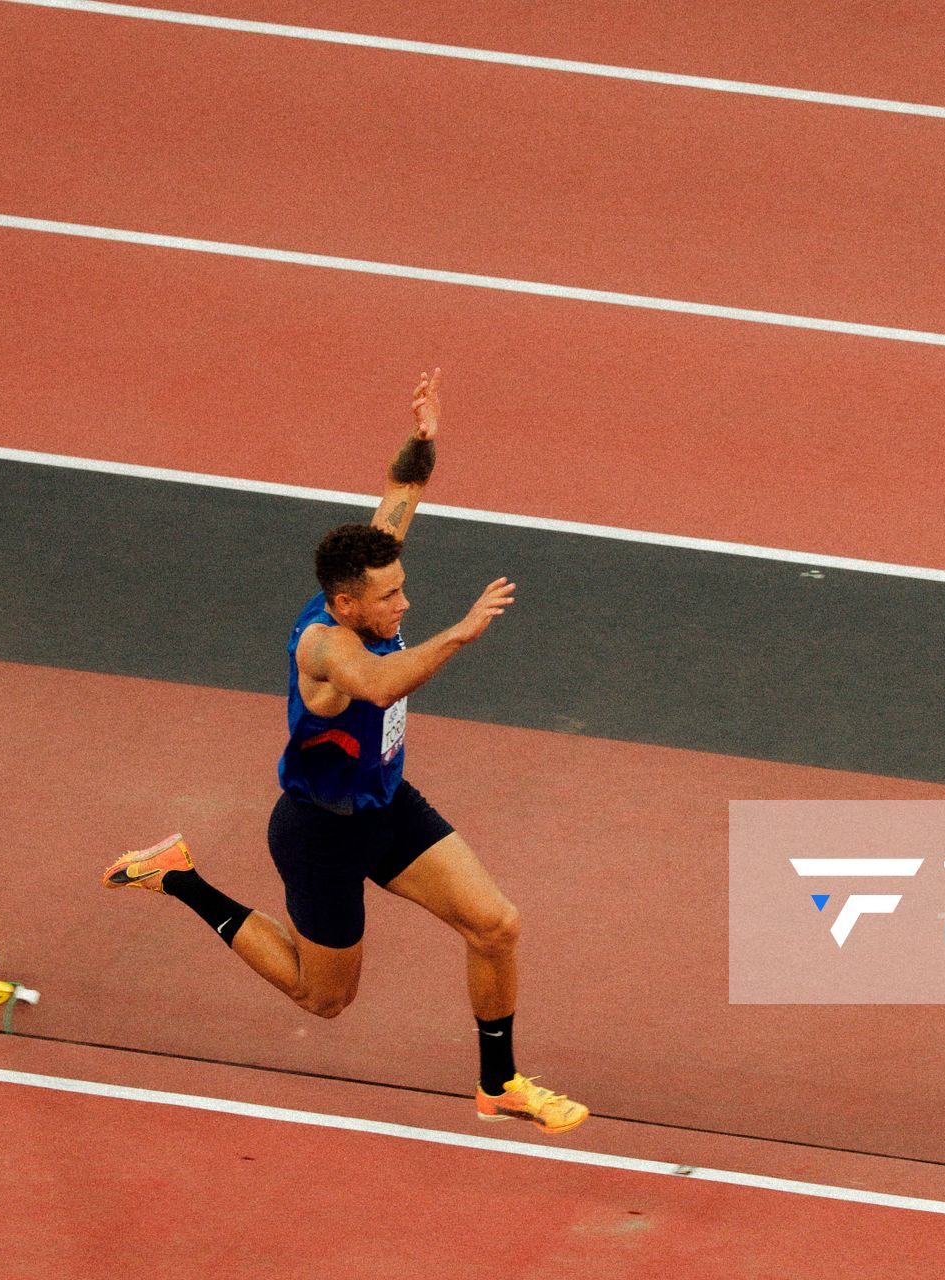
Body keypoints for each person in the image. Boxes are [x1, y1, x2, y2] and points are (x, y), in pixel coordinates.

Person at [102, 369, 587, 1135]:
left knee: (496, 925)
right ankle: (182, 877)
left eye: (402, 589)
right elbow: (382, 684)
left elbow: (400, 487)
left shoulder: (367, 578)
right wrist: (458, 634)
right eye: (389, 597)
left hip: (385, 806)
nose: (403, 604)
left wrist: (424, 438)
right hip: (318, 833)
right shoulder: (327, 650)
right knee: (322, 998)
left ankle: (499, 1085)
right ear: (344, 604)